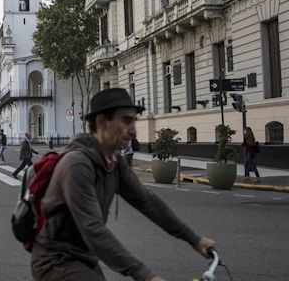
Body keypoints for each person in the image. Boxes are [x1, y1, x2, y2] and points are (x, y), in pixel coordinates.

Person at [31, 88, 215, 281]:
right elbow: (92, 229)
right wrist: (146, 276)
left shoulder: (113, 162)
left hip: (84, 257)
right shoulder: (77, 165)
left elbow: (147, 202)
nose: (133, 130)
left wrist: (195, 239)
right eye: (126, 121)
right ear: (103, 122)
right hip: (55, 261)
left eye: (134, 121)